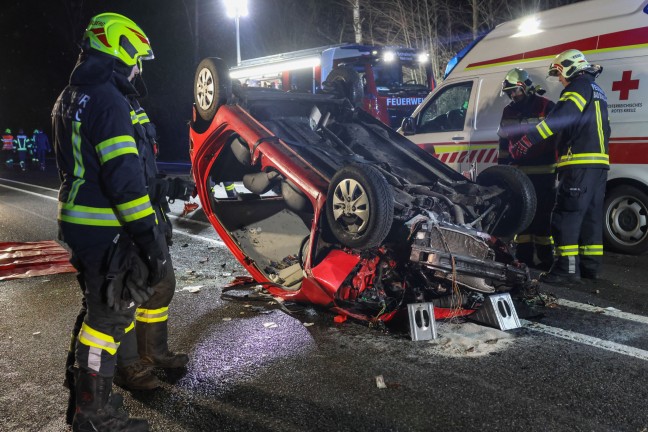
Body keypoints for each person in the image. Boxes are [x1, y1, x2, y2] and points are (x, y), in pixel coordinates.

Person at [53, 12, 164, 431]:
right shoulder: (109, 100)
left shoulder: (71, 94)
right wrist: (148, 239)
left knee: (96, 310)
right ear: (120, 50)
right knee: (109, 318)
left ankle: (84, 399)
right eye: (136, 59)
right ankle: (93, 415)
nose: (137, 69)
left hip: (79, 221)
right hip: (105, 227)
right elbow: (123, 181)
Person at [510, 49, 610, 284]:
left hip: (579, 163)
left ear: (570, 67)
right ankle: (590, 267)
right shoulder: (597, 89)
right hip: (599, 164)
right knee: (590, 217)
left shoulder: (576, 88)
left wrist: (528, 140)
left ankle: (566, 270)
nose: (560, 79)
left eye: (560, 73)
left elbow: (560, 119)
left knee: (566, 215)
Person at [112, 94, 190, 392]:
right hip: (125, 218)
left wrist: (165, 186)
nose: (139, 66)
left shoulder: (131, 103)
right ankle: (127, 365)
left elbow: (140, 166)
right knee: (125, 296)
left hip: (147, 212)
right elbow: (118, 175)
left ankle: (153, 352)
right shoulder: (106, 102)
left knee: (162, 284)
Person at [497, 68, 556, 270]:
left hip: (544, 171)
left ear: (527, 87)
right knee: (523, 216)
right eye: (510, 92)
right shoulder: (508, 112)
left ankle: (546, 259)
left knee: (542, 217)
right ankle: (524, 258)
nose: (513, 95)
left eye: (516, 91)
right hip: (520, 173)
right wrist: (502, 170)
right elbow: (504, 143)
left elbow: (557, 137)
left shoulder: (546, 107)